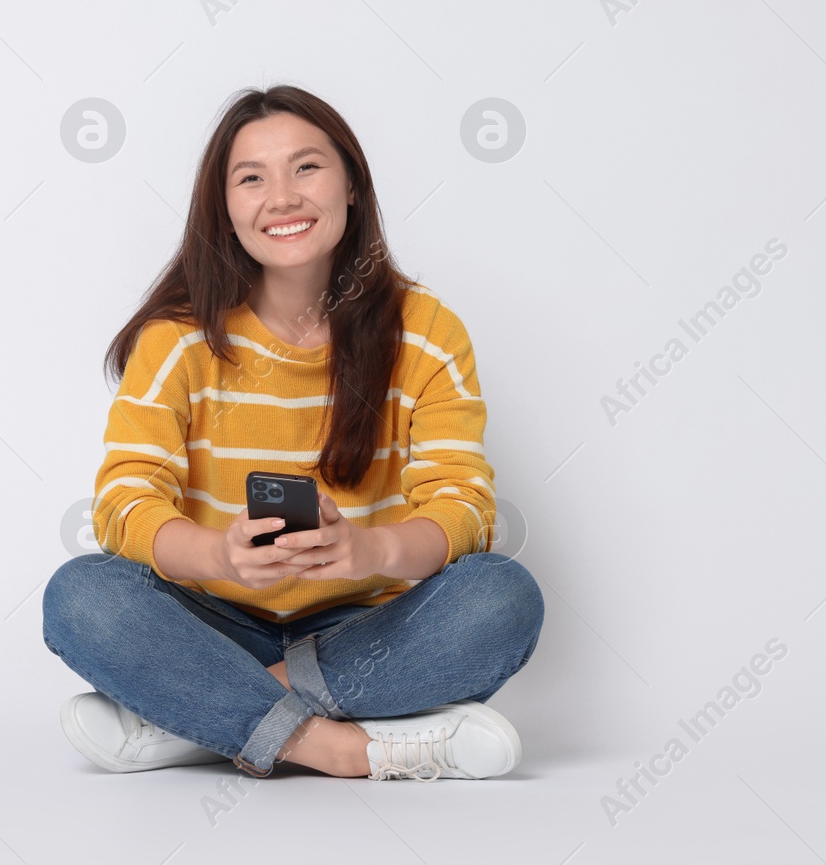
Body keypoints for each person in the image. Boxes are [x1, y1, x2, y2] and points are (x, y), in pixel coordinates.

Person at [42, 84, 544, 782]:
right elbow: (124, 506)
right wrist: (221, 554)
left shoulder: (427, 332)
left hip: (363, 630)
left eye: (306, 167)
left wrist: (370, 547)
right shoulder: (176, 340)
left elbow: (465, 510)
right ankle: (338, 747)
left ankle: (197, 716)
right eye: (252, 178)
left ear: (351, 188)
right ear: (225, 211)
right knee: (81, 596)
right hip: (212, 621)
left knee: (501, 597)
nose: (282, 196)